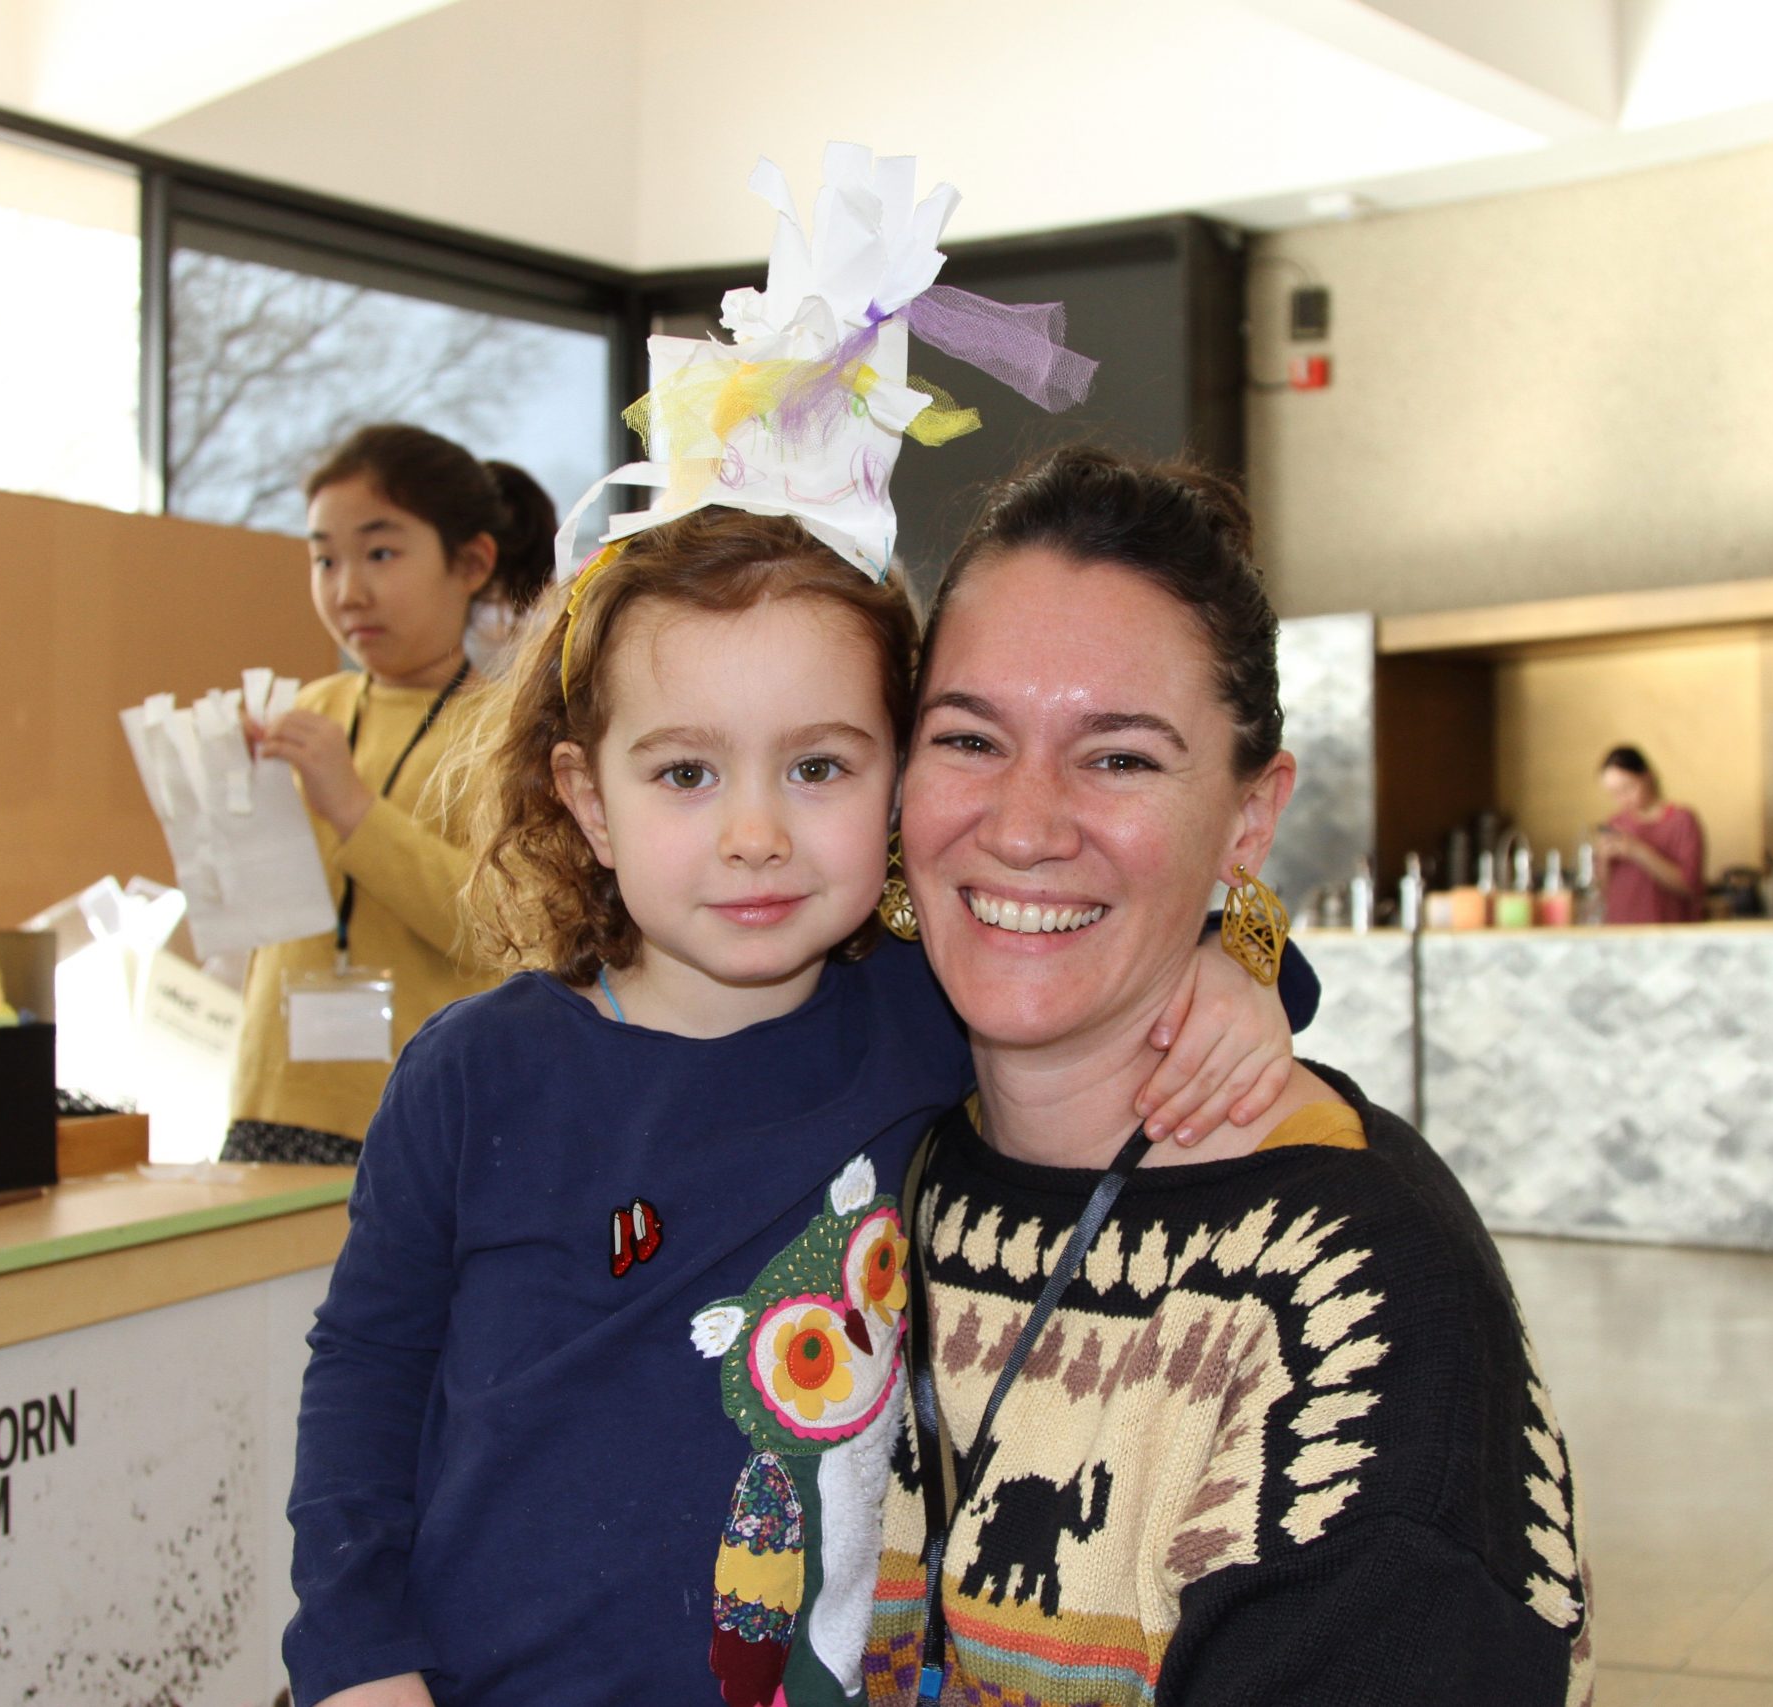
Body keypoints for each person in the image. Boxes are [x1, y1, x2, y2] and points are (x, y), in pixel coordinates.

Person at [281, 149, 1310, 1707]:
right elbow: (360, 1383)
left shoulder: (919, 1014)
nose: (756, 830)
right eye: (687, 771)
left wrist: (1241, 978)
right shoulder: (471, 1077)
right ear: (589, 793)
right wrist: (359, 1659)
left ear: (902, 774)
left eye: (819, 766)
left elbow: (1128, 961)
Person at [865, 446, 1593, 1706]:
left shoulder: (1352, 1295)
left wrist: (1248, 945)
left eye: (1122, 758)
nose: (1026, 825)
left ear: (1249, 822)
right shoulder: (864, 1145)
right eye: (970, 738)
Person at [221, 423, 558, 1164]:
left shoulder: (506, 732)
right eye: (323, 558)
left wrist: (353, 809)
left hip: (422, 1113)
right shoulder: (312, 706)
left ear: (471, 563)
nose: (348, 590)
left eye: (380, 553)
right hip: (272, 1094)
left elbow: (507, 929)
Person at [1593, 743, 1705, 925]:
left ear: (1648, 777)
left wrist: (1638, 851)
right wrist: (1604, 860)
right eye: (1614, 793)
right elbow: (1604, 889)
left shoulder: (1682, 820)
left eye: (1628, 788)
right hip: (1620, 929)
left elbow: (1689, 884)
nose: (1622, 798)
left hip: (1667, 930)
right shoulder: (1615, 824)